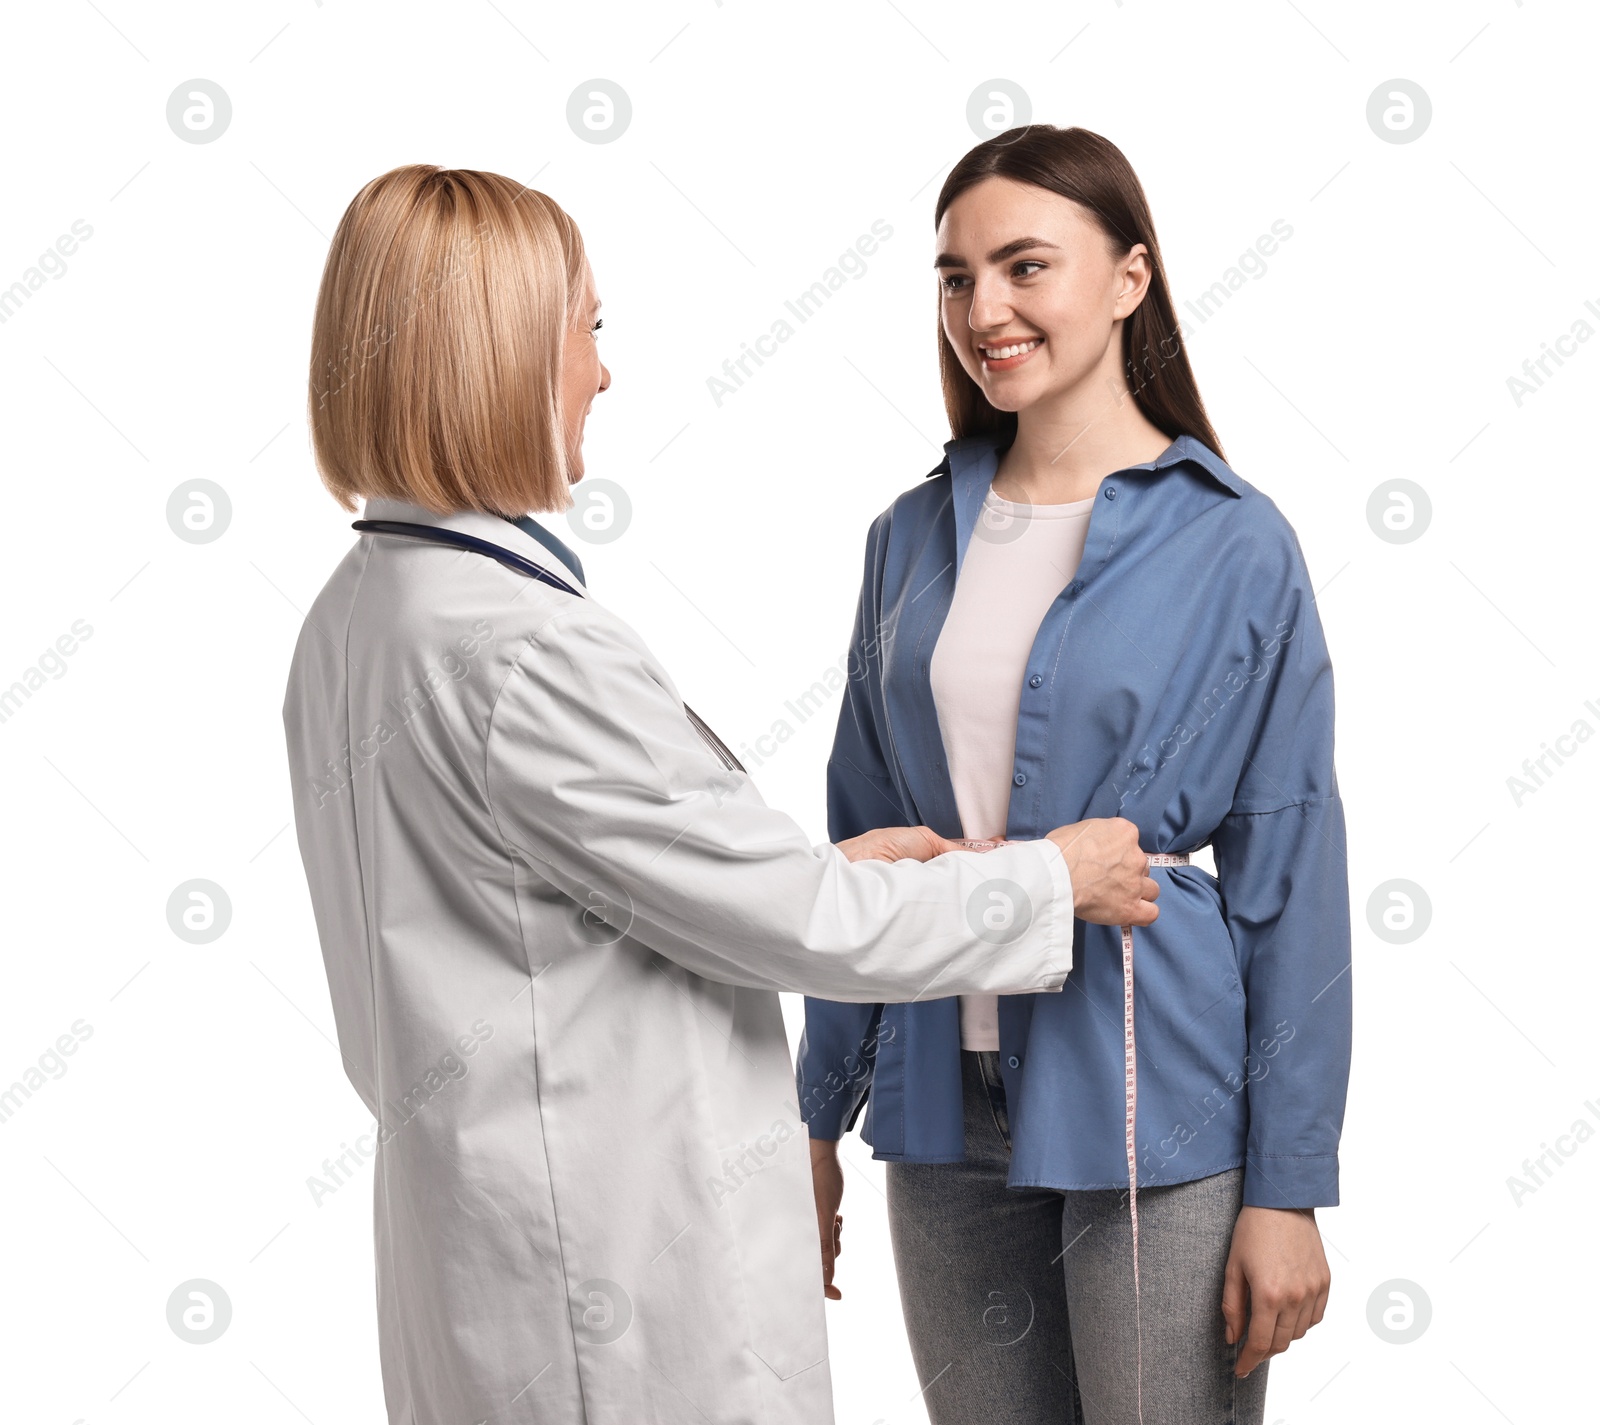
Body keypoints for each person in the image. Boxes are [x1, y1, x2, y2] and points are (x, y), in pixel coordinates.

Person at [280, 163, 1158, 1425]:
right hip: (615, 1285)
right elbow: (797, 927)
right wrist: (1047, 882)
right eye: (586, 329)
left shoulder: (363, 614)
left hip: (499, 1244)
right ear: (497, 355)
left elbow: (599, 887)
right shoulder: (528, 651)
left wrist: (837, 874)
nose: (601, 372)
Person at [800, 125, 1352, 1425]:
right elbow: (854, 844)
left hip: (1154, 1100)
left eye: (1024, 266)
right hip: (940, 1105)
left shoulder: (1236, 544)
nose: (982, 310)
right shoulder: (908, 538)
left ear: (1130, 277)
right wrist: (815, 1117)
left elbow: (1295, 880)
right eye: (953, 277)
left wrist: (1289, 1187)